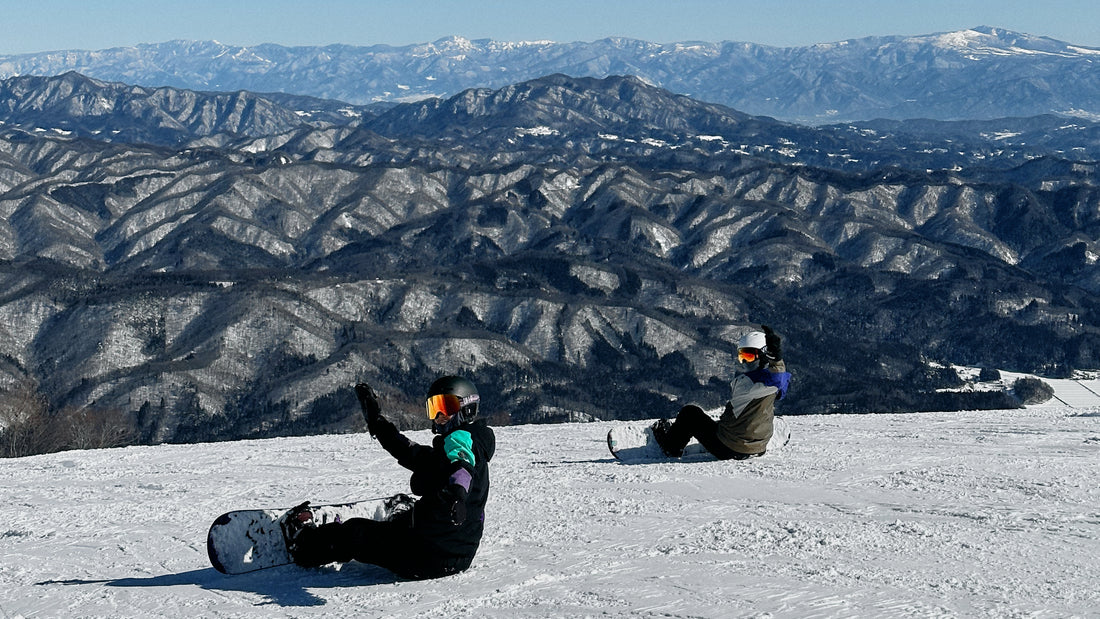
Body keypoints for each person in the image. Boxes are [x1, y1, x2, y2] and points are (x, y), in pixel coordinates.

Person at [282, 375, 495, 580]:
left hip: (427, 557)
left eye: (446, 408)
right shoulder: (472, 444)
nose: (439, 416)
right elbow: (411, 452)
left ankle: (303, 543)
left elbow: (462, 467)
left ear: (467, 408)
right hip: (460, 554)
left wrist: (457, 495)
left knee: (354, 533)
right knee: (412, 503)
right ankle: (403, 519)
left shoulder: (459, 439)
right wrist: (377, 423)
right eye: (434, 408)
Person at [652, 325, 790, 460]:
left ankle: (670, 448)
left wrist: (776, 360)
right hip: (759, 447)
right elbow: (780, 386)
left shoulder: (749, 384)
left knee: (690, 413)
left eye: (748, 356)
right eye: (742, 356)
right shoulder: (771, 383)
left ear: (763, 356)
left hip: (730, 448)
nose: (744, 362)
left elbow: (775, 380)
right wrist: (777, 360)